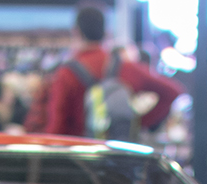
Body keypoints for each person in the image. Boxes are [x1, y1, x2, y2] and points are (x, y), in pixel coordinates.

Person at [26, 7, 180, 140]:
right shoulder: (126, 68)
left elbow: (56, 129)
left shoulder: (66, 74)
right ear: (106, 32)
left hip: (78, 162)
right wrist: (138, 123)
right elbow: (173, 91)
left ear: (76, 32)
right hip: (115, 161)